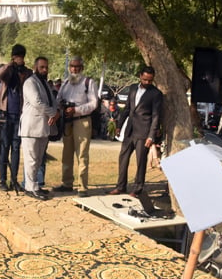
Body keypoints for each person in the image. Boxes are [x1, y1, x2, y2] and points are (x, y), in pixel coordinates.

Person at [108, 66, 163, 198]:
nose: (147, 83)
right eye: (145, 79)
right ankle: (120, 186)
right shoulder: (133, 88)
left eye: (150, 80)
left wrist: (151, 136)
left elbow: (156, 116)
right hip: (130, 130)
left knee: (141, 161)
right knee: (123, 158)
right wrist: (119, 125)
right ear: (140, 76)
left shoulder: (156, 94)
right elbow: (127, 109)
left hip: (144, 133)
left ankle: (138, 189)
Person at [53, 56, 99, 197]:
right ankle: (67, 183)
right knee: (66, 155)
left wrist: (76, 110)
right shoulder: (66, 83)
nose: (74, 69)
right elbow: (58, 100)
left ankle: (82, 187)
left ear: (82, 68)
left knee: (82, 154)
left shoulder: (89, 83)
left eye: (77, 67)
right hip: (68, 121)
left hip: (82, 120)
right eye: (72, 66)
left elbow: (93, 104)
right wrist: (62, 107)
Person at [19, 56, 59, 200]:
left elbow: (52, 100)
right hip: (31, 127)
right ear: (35, 67)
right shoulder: (30, 82)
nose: (45, 70)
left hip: (43, 128)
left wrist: (57, 111)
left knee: (38, 159)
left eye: (46, 67)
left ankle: (35, 185)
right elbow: (37, 102)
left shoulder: (45, 84)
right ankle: (30, 187)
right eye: (42, 67)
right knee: (31, 160)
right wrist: (53, 113)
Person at [0, 44, 32, 191]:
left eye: (21, 56)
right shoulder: (7, 69)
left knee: (16, 148)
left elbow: (30, 82)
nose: (19, 59)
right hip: (5, 113)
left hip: (20, 115)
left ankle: (14, 180)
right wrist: (11, 64)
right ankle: (2, 180)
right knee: (4, 147)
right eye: (16, 56)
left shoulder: (27, 72)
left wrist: (21, 70)